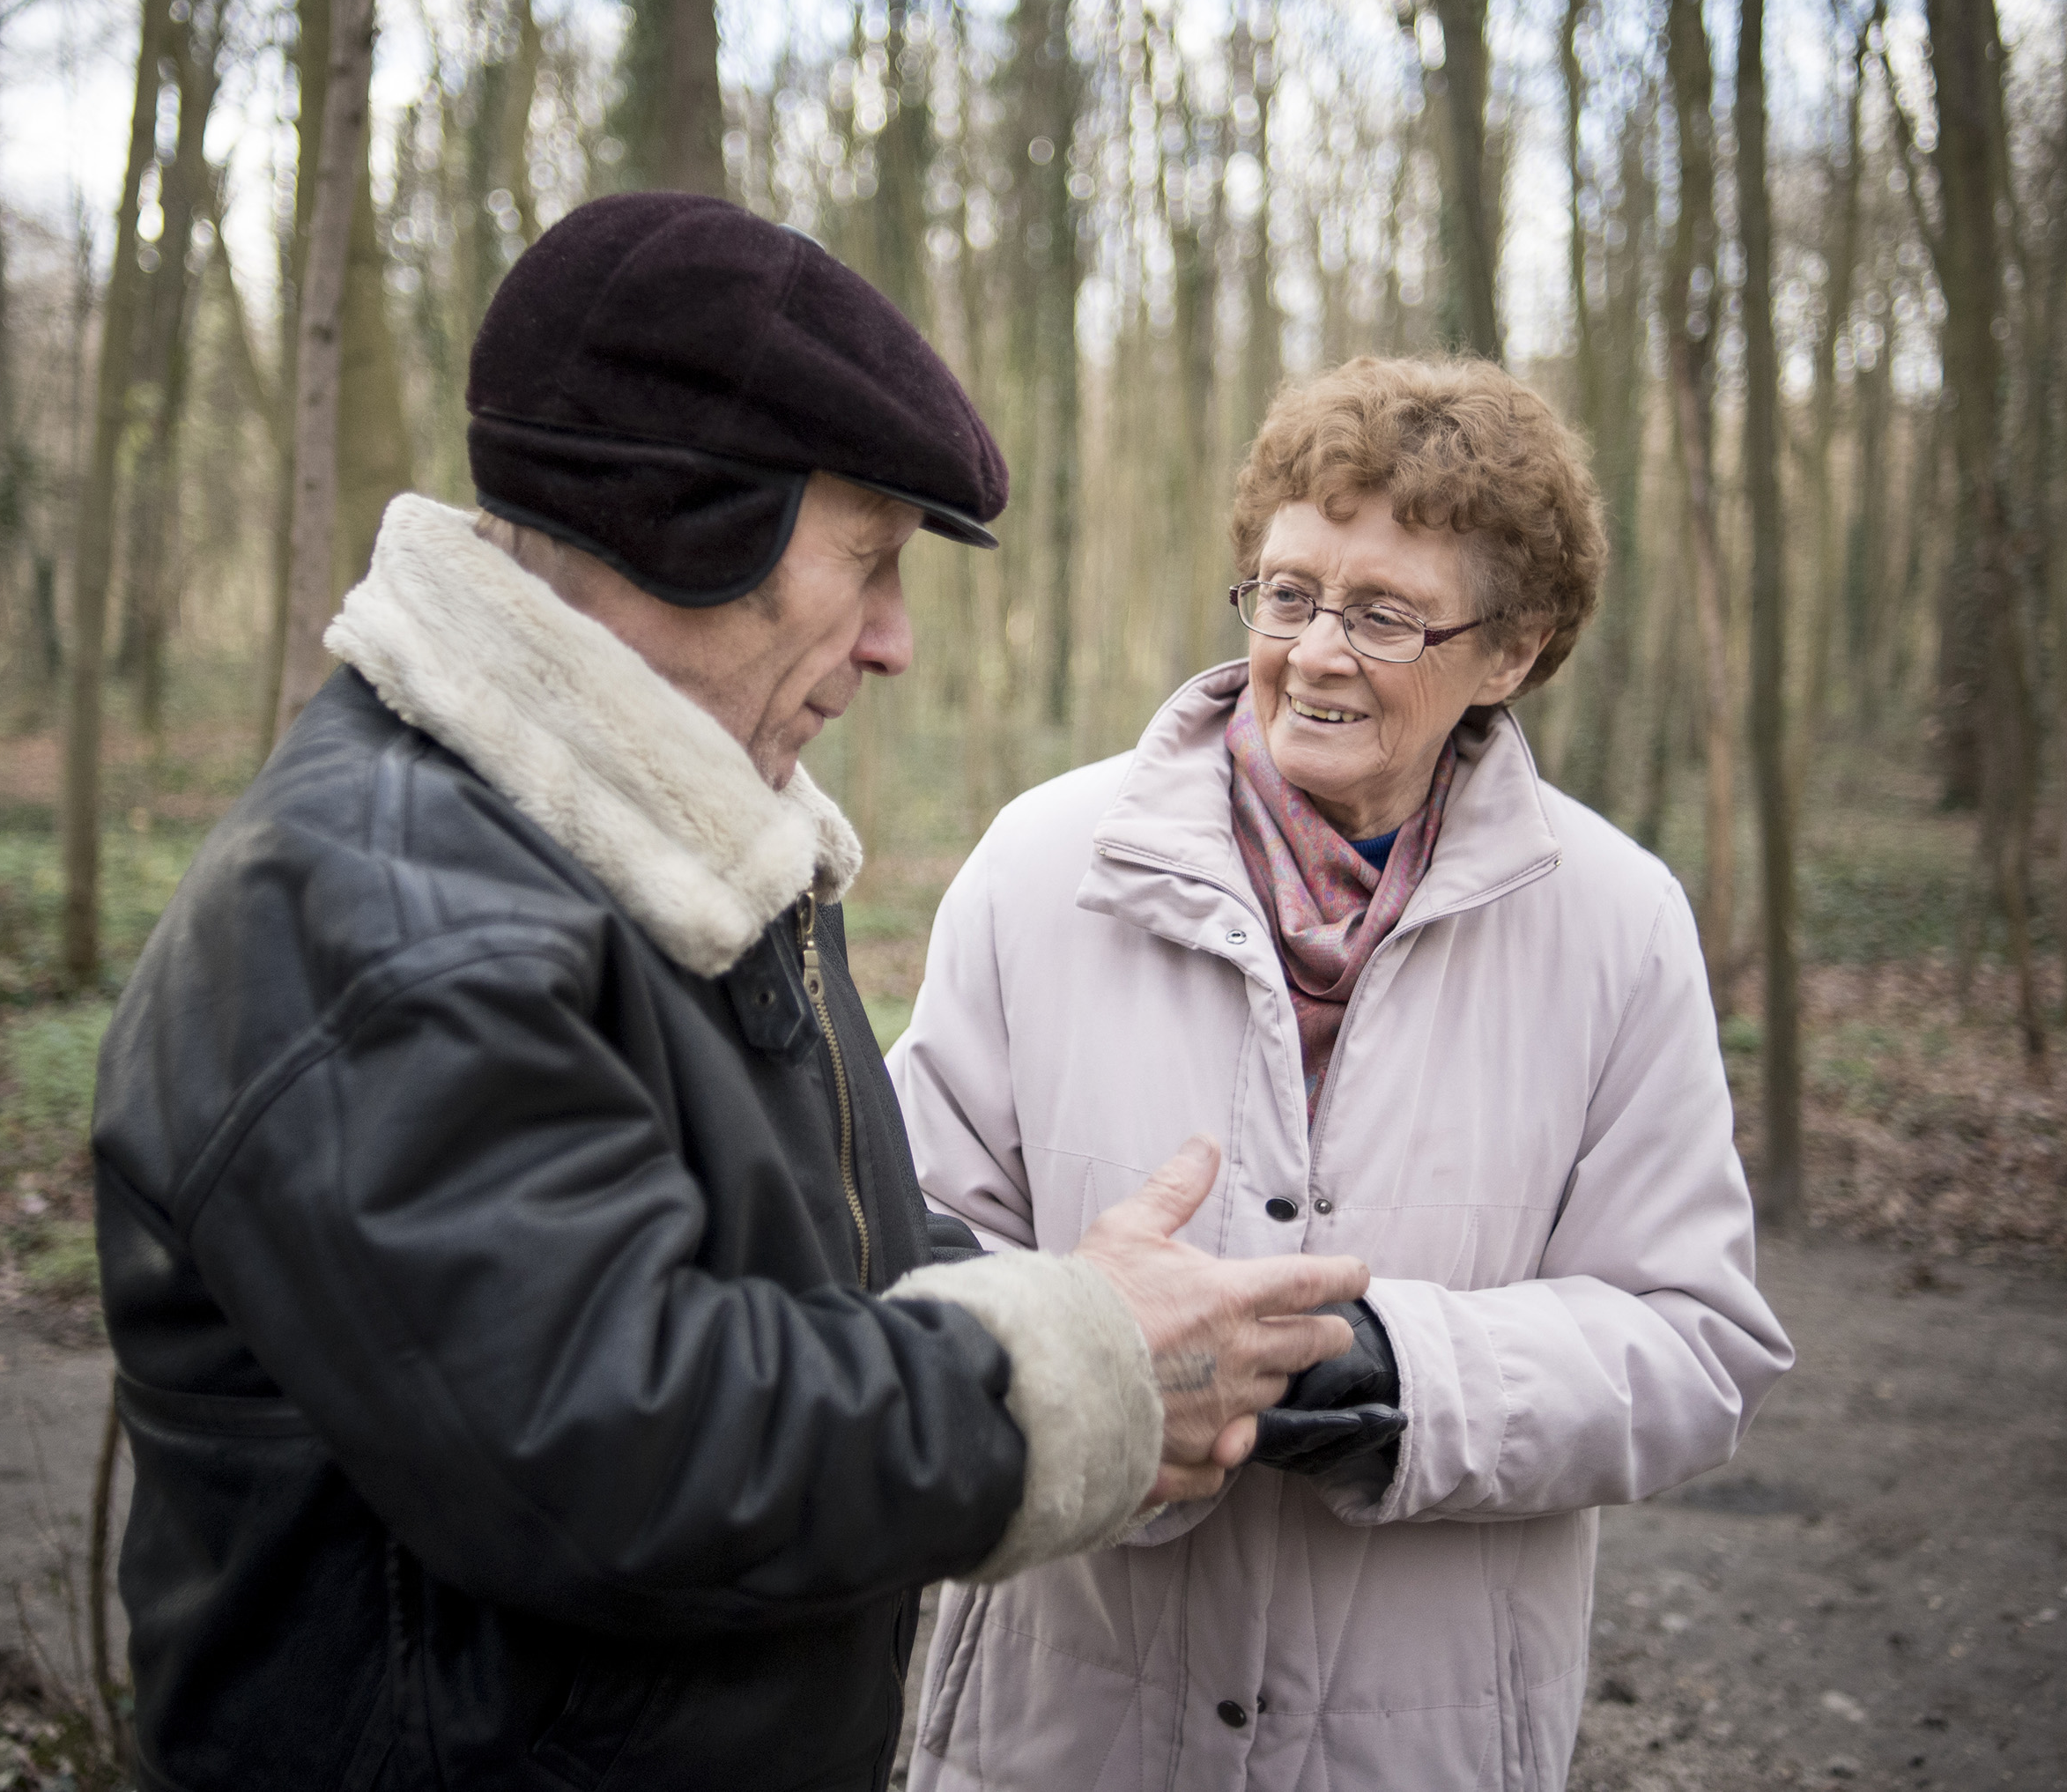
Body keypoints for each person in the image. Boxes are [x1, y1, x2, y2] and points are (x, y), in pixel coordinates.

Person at [90, 191, 1369, 1792]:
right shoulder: (396, 918)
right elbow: (618, 1444)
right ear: (687, 518)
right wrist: (1082, 1370)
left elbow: (799, 1257)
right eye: (871, 561)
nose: (894, 641)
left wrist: (1104, 1299)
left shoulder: (658, 847)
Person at [891, 355, 1796, 1790]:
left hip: (1420, 1742)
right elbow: (898, 1244)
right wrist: (1093, 1348)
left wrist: (1397, 1377)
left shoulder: (1618, 925)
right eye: (1290, 591)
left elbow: (1693, 1343)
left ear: (1513, 648)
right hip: (1058, 1733)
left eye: (1384, 614)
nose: (1314, 652)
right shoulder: (1041, 867)